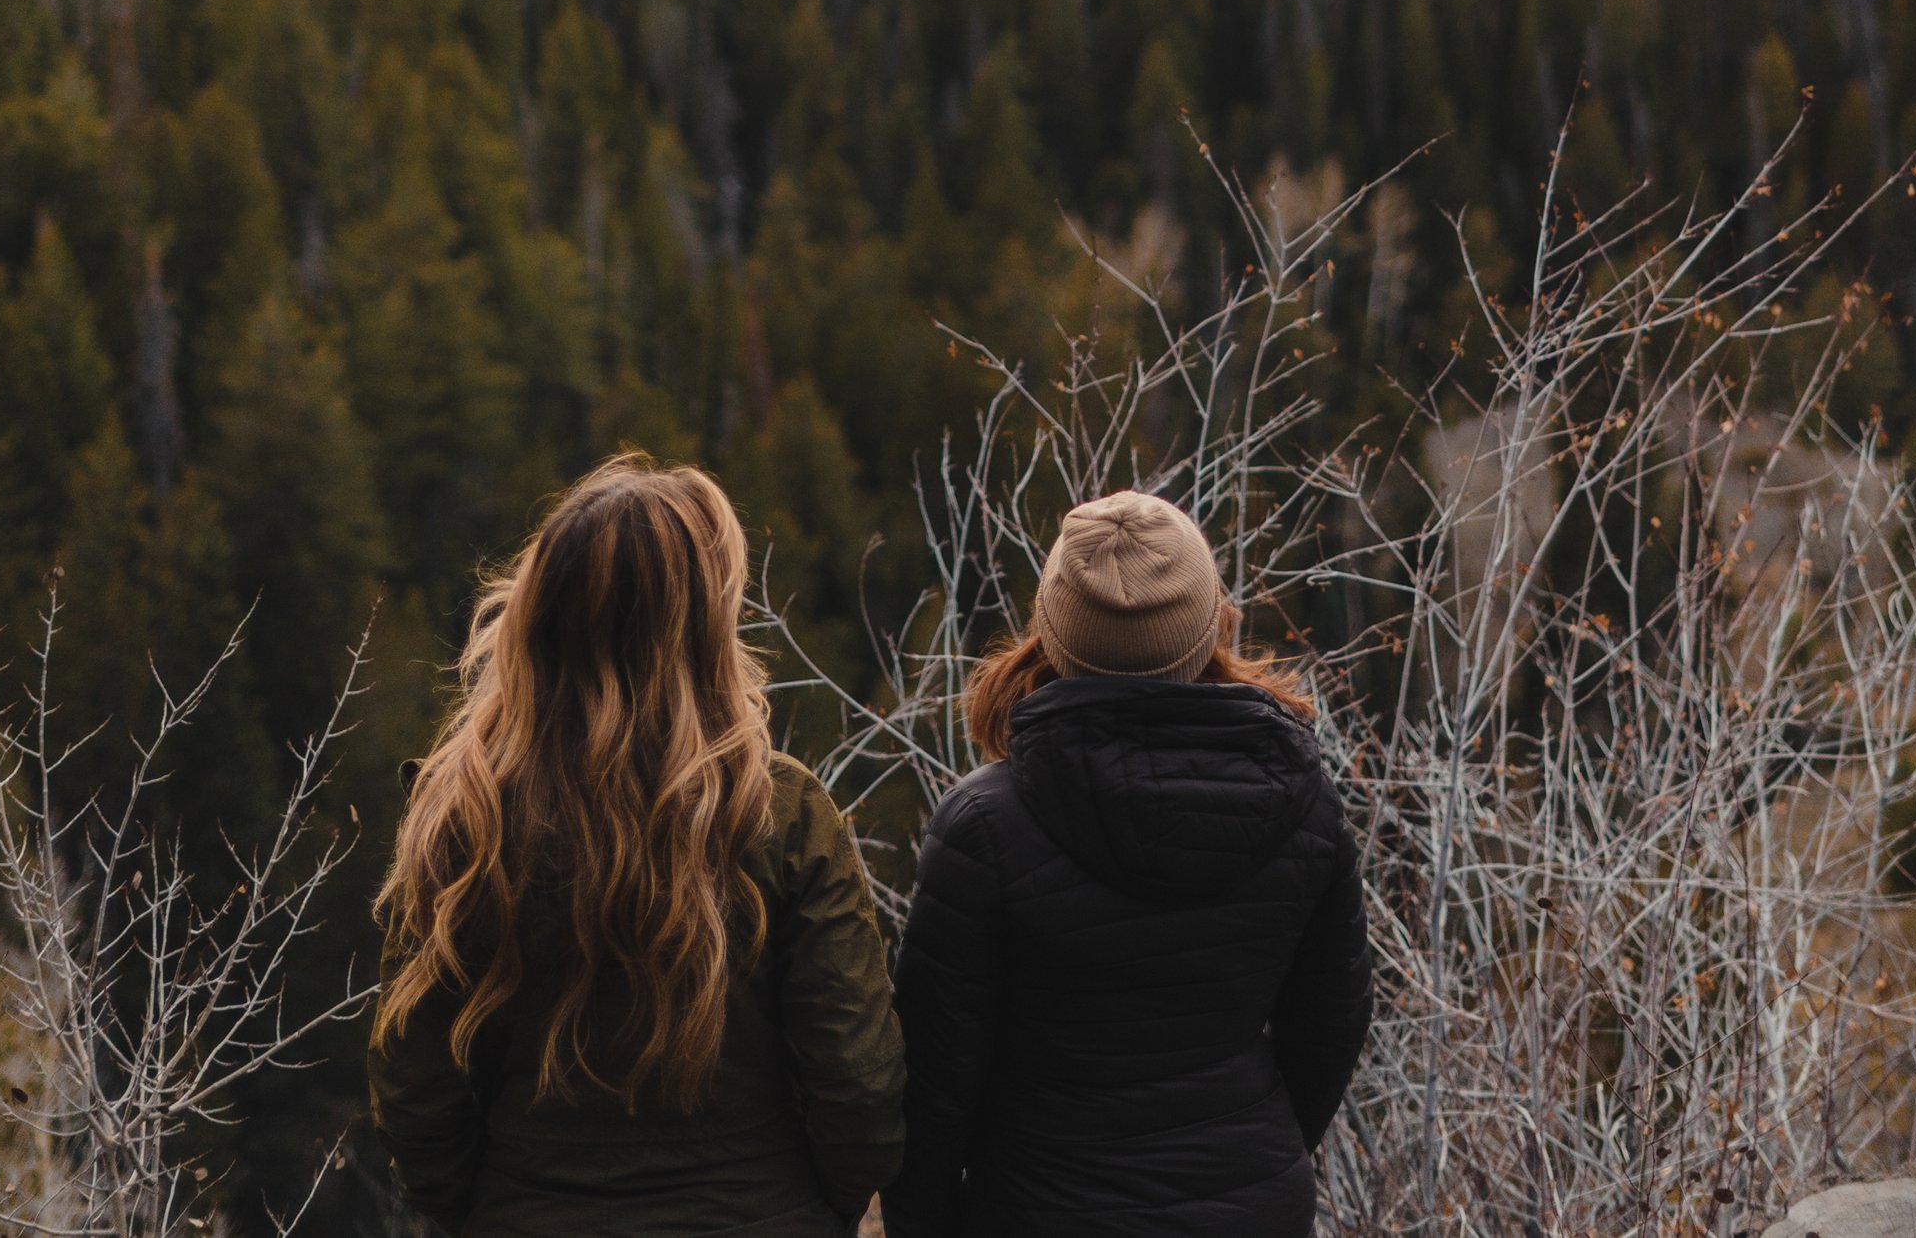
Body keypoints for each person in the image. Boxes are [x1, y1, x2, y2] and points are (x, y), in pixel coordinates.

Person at [370, 456, 905, 1238]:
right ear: (701, 628)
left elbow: (416, 1098)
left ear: (538, 618)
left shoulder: (466, 818)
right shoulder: (781, 810)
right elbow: (858, 1088)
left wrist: (494, 1209)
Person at [885, 490, 1370, 1238]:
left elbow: (935, 1084)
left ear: (1050, 630)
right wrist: (1252, 1154)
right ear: (1211, 622)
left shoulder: (983, 827)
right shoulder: (1301, 802)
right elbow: (1331, 1023)